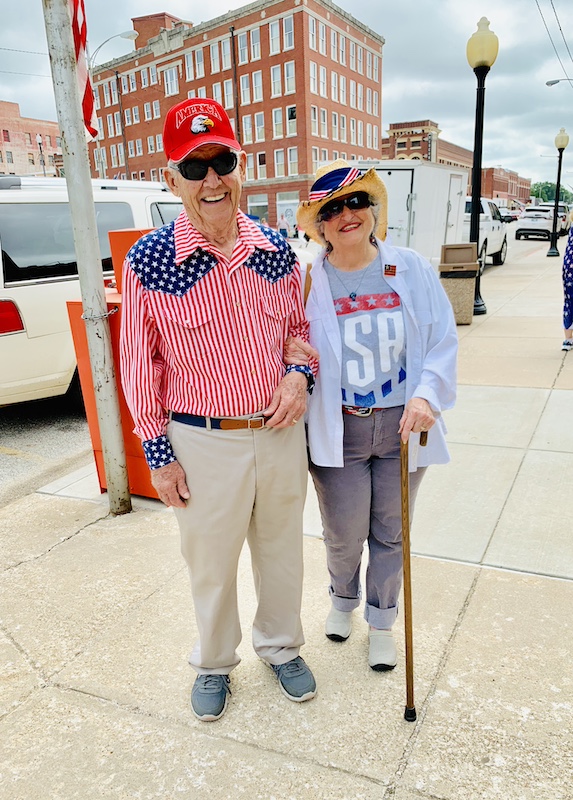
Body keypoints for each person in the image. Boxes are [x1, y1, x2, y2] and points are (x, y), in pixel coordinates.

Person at [119, 98, 317, 722]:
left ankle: (281, 646)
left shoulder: (276, 248)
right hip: (201, 439)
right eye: (195, 165)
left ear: (239, 168)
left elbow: (298, 331)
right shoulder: (148, 261)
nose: (212, 179)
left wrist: (298, 374)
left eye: (222, 161)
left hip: (279, 434)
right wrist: (159, 455)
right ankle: (213, 662)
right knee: (209, 559)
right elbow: (139, 365)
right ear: (172, 179)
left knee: (282, 548)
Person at [290, 160, 457, 671]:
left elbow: (441, 338)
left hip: (403, 427)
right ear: (319, 225)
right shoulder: (305, 278)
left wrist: (427, 395)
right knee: (343, 531)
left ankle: (382, 622)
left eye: (357, 202)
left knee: (392, 530)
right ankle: (343, 601)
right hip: (340, 426)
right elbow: (286, 342)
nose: (347, 214)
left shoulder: (410, 267)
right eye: (332, 208)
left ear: (373, 210)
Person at [561, 211, 573, 351]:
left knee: (569, 303)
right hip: (570, 270)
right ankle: (568, 339)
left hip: (569, 269)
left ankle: (568, 339)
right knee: (570, 303)